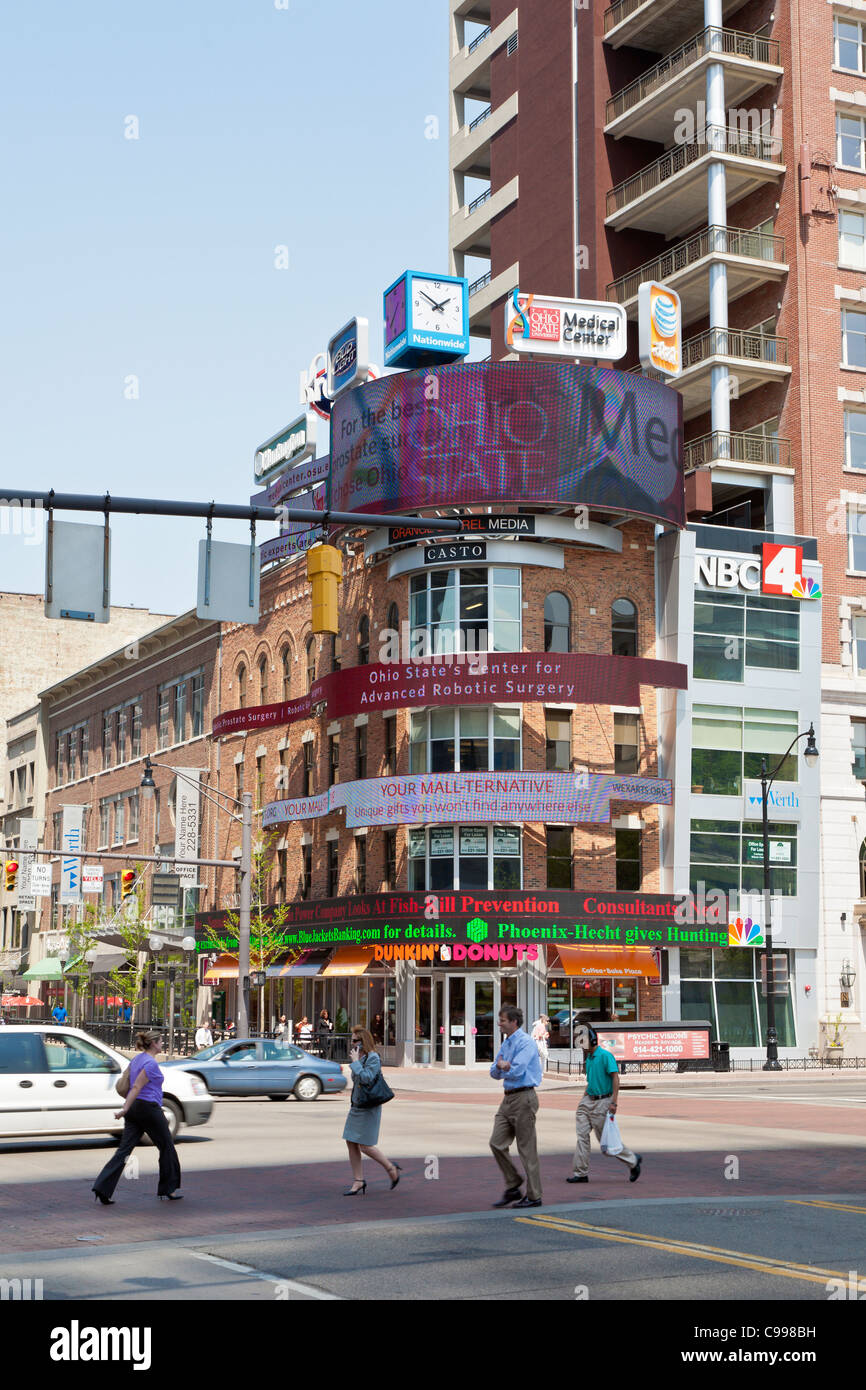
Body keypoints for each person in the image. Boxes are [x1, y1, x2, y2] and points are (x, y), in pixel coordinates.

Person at [91, 1030, 182, 1205]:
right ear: (154, 1044)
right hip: (148, 1108)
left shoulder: (137, 1059)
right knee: (166, 1146)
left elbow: (130, 1085)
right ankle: (167, 1189)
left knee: (124, 1150)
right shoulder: (150, 1064)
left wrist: (127, 1109)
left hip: (135, 1109)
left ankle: (102, 1188)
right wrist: (123, 1109)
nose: (162, 1044)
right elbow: (136, 1087)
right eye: (161, 1041)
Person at [568, 1023, 642, 1186]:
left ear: (593, 1041)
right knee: (582, 1137)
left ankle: (633, 1161)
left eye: (584, 1041)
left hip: (603, 1101)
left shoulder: (605, 1056)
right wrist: (583, 1099)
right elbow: (591, 1081)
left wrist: (614, 1102)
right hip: (588, 1100)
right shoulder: (588, 1059)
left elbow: (615, 1078)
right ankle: (580, 1173)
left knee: (606, 1143)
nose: (582, 1045)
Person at [489, 1005, 543, 1209]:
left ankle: (534, 1195)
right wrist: (502, 1067)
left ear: (514, 1022)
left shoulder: (525, 1042)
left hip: (524, 1097)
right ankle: (513, 1185)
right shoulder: (507, 1043)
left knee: (527, 1149)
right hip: (508, 1098)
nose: (499, 1023)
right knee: (496, 1142)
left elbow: (517, 1070)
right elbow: (494, 1071)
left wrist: (504, 1066)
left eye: (502, 1020)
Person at [342, 1025, 401, 1196]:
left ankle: (391, 1168)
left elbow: (367, 1078)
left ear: (363, 1041)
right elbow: (357, 1080)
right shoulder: (359, 1057)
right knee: (350, 1141)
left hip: (369, 1107)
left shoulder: (373, 1058)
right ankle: (358, 1180)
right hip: (357, 1105)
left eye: (354, 1040)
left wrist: (355, 1063)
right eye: (351, 1040)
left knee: (365, 1145)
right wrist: (356, 1061)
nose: (351, 1043)